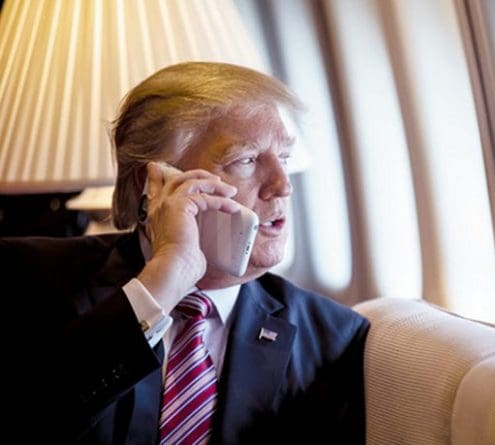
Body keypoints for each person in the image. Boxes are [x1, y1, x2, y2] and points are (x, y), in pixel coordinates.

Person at [2, 62, 369, 444]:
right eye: (246, 160)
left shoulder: (333, 336)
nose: (281, 185)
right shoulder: (27, 276)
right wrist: (165, 280)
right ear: (157, 184)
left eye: (285, 159)